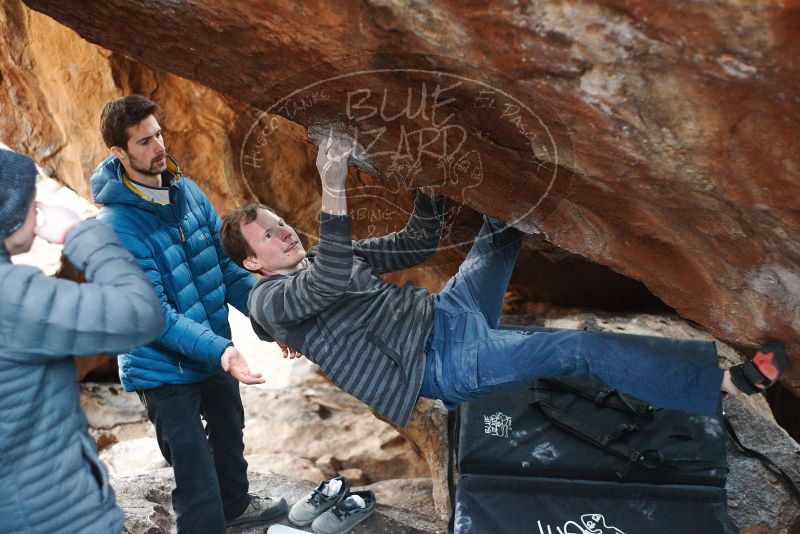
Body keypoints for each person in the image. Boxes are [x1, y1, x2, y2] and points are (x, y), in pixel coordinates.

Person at [220, 136, 787, 428]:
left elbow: (414, 244)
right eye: (267, 236)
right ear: (253, 264)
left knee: (504, 224)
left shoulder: (322, 257)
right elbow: (328, 282)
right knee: (577, 349)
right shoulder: (271, 302)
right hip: (443, 364)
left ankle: (546, 160)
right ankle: (720, 387)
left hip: (449, 313)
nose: (283, 231)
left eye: (279, 221)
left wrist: (426, 180)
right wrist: (334, 183)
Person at [90, 95, 286, 532]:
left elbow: (224, 268)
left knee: (230, 435)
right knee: (194, 468)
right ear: (118, 153)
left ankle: (235, 506)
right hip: (161, 367)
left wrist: (272, 319)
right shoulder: (115, 228)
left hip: (211, 347)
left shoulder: (188, 191)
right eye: (144, 141)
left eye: (159, 134)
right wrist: (223, 352)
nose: (159, 146)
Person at [0, 149, 164, 533]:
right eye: (30, 200)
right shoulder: (13, 297)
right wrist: (79, 233)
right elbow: (140, 313)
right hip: (57, 514)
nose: (37, 208)